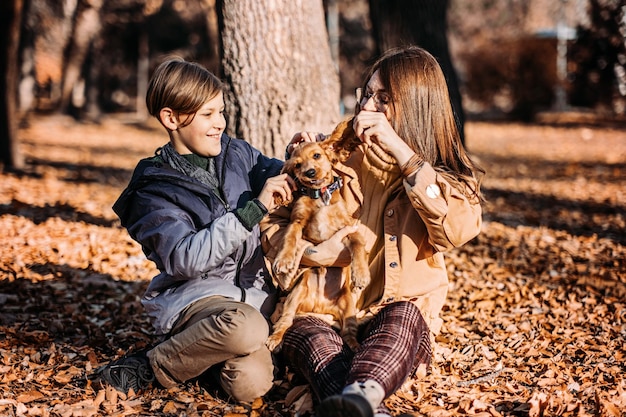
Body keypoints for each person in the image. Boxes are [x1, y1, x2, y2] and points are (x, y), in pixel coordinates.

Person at [261, 45, 484, 417]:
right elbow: (275, 221)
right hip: (326, 308)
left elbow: (457, 228)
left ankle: (361, 397)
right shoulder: (336, 156)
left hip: (397, 316)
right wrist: (312, 254)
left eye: (383, 99)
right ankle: (365, 409)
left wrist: (403, 153)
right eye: (365, 94)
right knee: (314, 336)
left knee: (404, 318)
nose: (367, 108)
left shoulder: (440, 171)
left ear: (416, 105)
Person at [93, 57, 295, 403]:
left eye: (221, 112)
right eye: (207, 115)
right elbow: (184, 258)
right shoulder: (152, 187)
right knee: (246, 328)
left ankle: (202, 357)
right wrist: (253, 209)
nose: (220, 123)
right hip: (196, 301)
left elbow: (287, 174)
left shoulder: (238, 154)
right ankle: (151, 365)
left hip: (254, 303)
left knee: (249, 385)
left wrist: (303, 152)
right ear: (171, 119)